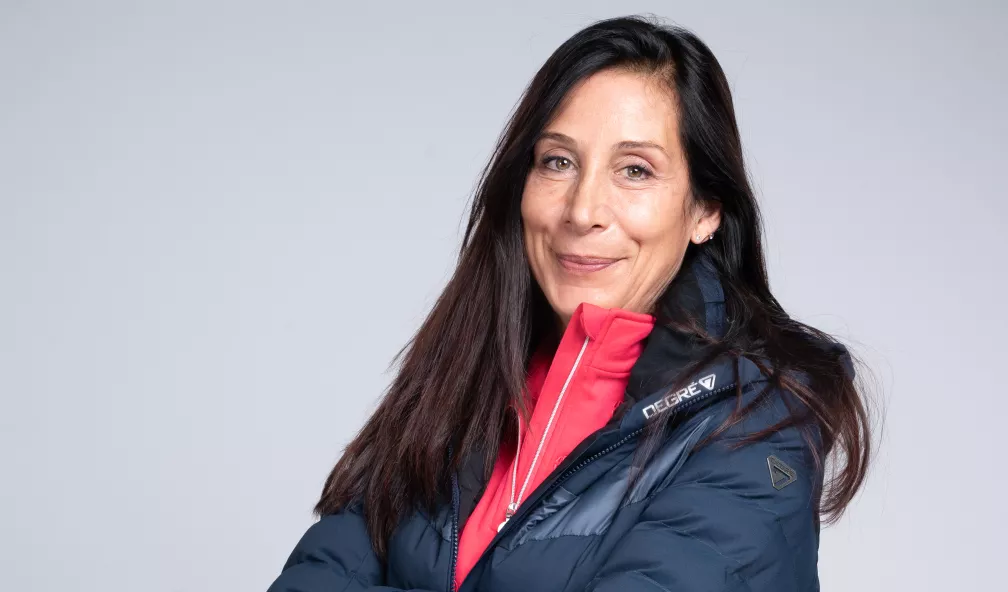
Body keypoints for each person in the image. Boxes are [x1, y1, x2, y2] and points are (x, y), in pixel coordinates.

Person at [267, 15, 872, 592]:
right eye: (558, 162)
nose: (582, 211)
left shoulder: (758, 415)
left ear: (705, 210)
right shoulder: (459, 381)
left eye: (635, 171)